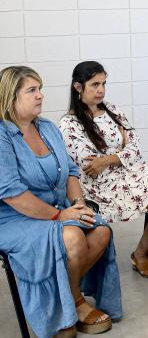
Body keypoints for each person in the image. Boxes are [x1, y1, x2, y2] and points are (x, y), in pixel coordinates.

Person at [0, 66, 121, 338]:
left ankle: (65, 296)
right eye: (32, 90)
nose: (40, 95)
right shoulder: (2, 135)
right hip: (14, 217)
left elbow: (71, 171)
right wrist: (60, 217)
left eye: (39, 89)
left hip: (59, 208)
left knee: (100, 231)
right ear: (10, 98)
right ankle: (75, 302)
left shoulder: (47, 127)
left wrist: (78, 203)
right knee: (74, 238)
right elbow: (12, 194)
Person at [58, 61, 148, 300]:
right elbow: (89, 164)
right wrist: (119, 154)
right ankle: (140, 255)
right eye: (95, 84)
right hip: (98, 187)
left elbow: (136, 149)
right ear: (78, 87)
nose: (101, 90)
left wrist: (108, 159)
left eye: (104, 84)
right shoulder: (69, 124)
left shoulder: (113, 110)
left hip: (129, 173)